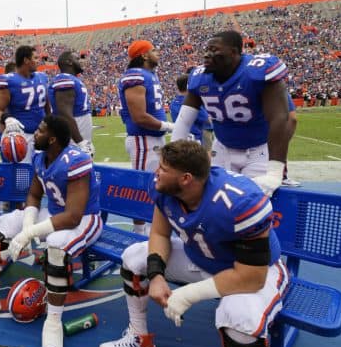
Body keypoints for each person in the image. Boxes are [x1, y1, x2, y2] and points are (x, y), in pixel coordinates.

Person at [98, 140, 289, 347]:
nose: (156, 173)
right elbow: (161, 234)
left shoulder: (240, 200)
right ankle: (140, 338)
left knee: (239, 318)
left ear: (186, 179)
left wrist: (188, 295)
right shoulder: (166, 188)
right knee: (133, 258)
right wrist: (157, 276)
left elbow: (251, 277)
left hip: (256, 270)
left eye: (163, 169)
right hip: (201, 256)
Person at [0, 115, 103, 347]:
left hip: (85, 219)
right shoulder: (40, 157)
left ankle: (53, 324)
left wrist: (30, 233)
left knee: (56, 246)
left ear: (54, 138)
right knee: (1, 226)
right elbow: (34, 194)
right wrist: (26, 225)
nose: (36, 134)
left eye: (42, 130)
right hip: (55, 214)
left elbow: (74, 216)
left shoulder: (76, 160)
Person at [171, 30, 293, 196]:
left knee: (254, 202)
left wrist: (275, 171)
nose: (207, 55)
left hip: (258, 151)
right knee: (215, 200)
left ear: (234, 52)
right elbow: (184, 121)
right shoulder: (200, 77)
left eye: (214, 50)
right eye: (207, 50)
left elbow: (280, 118)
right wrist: (172, 161)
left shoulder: (256, 71)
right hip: (221, 148)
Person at [118, 40, 173, 235]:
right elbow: (139, 116)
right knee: (142, 187)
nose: (158, 53)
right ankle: (139, 232)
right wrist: (168, 126)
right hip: (143, 139)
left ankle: (151, 229)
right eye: (154, 50)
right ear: (144, 55)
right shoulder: (135, 76)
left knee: (156, 184)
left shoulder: (149, 75)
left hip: (153, 139)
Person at [0, 46, 50, 163]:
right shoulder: (10, 81)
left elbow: (47, 106)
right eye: (35, 57)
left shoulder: (42, 77)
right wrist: (7, 119)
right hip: (21, 137)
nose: (38, 60)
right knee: (22, 175)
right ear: (26, 60)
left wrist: (51, 123)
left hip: (41, 135)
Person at [48, 51, 94, 156]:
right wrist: (80, 142)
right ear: (69, 62)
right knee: (74, 170)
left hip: (75, 140)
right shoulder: (65, 79)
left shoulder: (72, 79)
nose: (80, 61)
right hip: (72, 141)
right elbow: (64, 113)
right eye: (77, 59)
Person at [169, 74, 211, 145]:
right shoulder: (192, 102)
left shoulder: (173, 103)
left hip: (180, 140)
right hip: (194, 140)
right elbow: (207, 120)